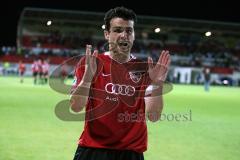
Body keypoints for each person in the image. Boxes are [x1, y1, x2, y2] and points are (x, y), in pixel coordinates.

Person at [70, 6, 171, 160]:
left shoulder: (145, 70)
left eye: (129, 31)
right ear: (107, 34)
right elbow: (76, 107)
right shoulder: (90, 63)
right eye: (117, 30)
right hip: (93, 149)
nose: (124, 35)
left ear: (134, 35)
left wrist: (157, 84)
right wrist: (87, 79)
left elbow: (154, 115)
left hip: (130, 153)